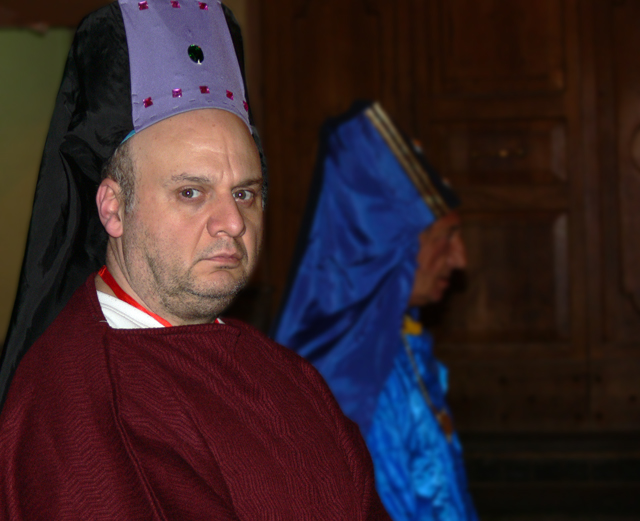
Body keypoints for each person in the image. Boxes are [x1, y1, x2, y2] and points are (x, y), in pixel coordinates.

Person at [0, 3, 390, 519]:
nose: (232, 222)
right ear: (113, 208)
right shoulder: (71, 403)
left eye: (245, 193)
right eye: (191, 192)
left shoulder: (294, 379)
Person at [273, 102, 478, 521]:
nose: (461, 259)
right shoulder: (355, 383)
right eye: (446, 237)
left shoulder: (400, 341)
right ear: (390, 248)